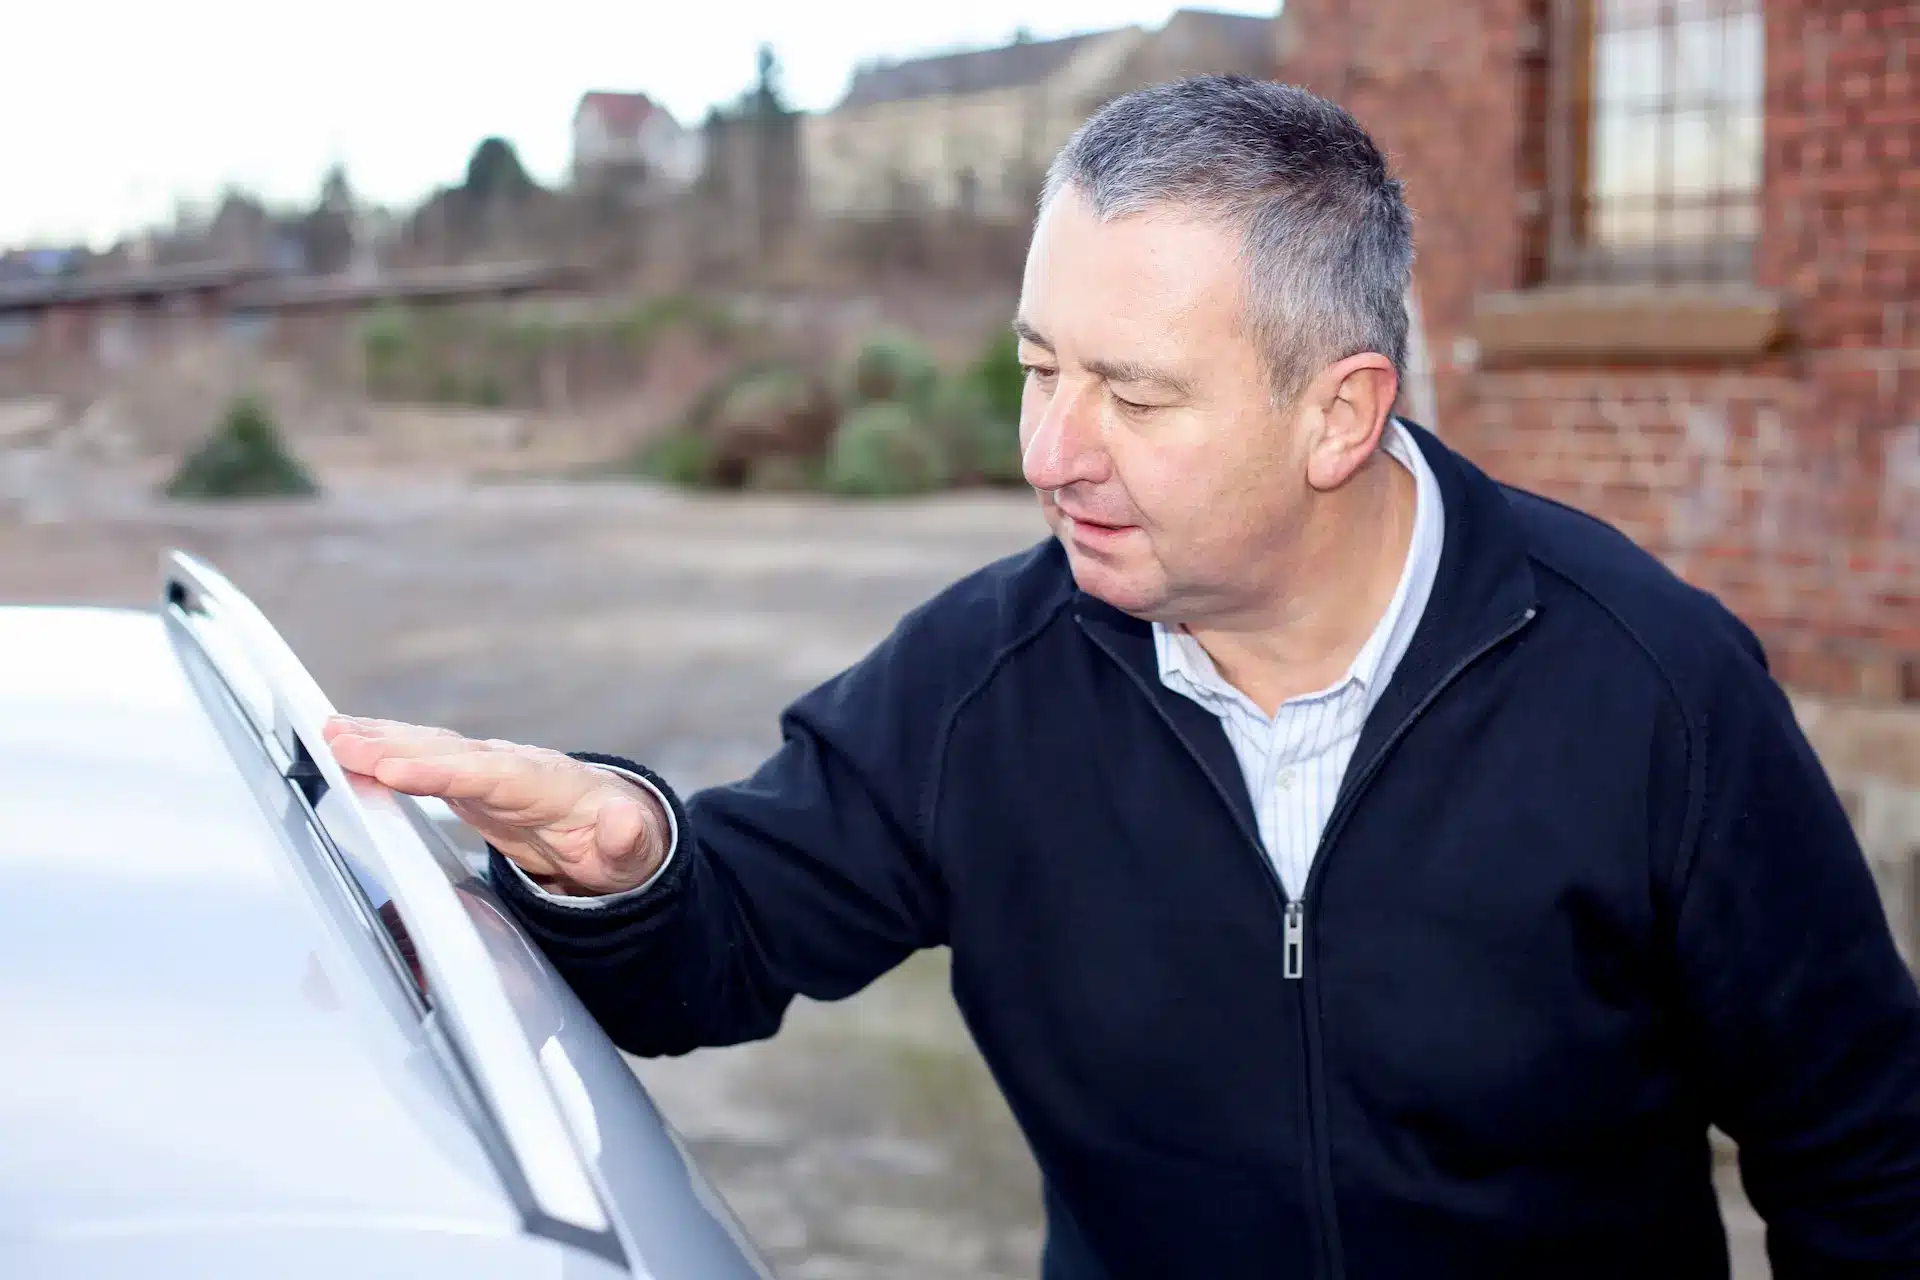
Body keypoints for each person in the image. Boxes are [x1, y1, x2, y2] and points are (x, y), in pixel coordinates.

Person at [324, 76, 1920, 1279]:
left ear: (1340, 414)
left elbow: (1867, 1161)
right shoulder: (987, 686)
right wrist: (625, 857)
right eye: (1037, 367)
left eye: (1133, 396)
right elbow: (718, 945)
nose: (1048, 451)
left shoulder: (1651, 690)